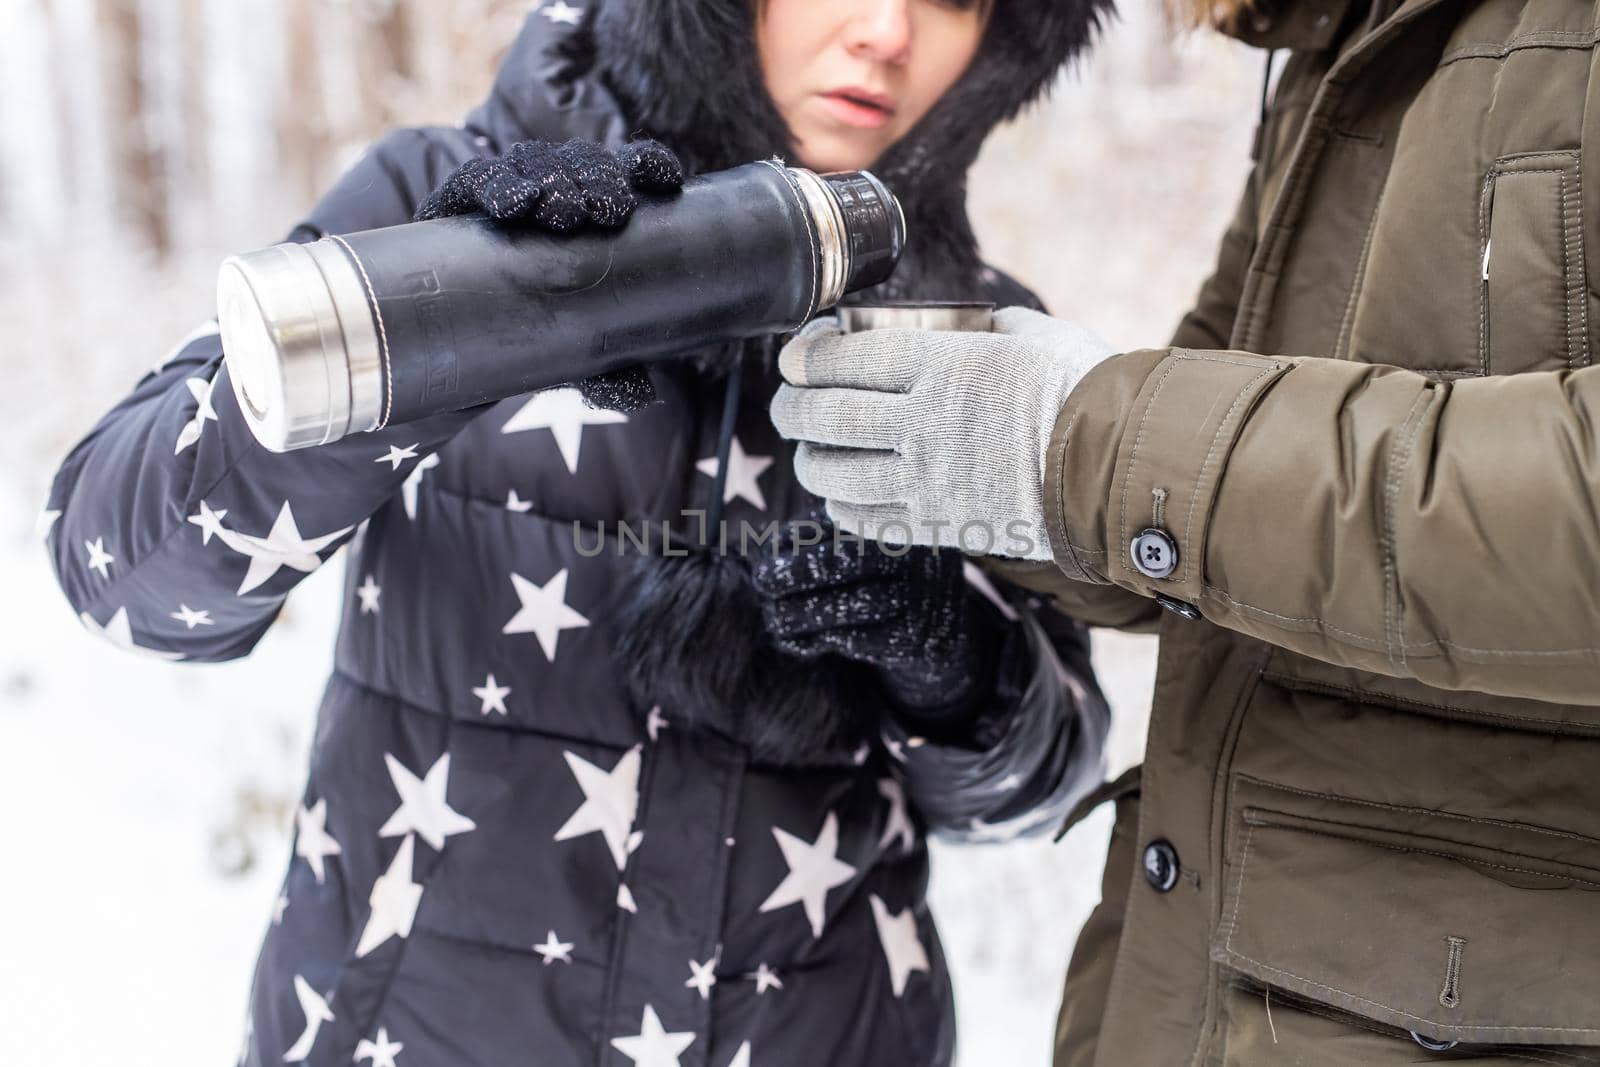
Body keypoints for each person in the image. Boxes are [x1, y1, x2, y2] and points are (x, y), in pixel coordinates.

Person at [43, 1, 1115, 1064]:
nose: (887, 32)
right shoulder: (434, 203)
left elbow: (1039, 785)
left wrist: (957, 663)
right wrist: (452, 312)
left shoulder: (974, 329)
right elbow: (124, 572)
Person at [772, 0, 1600, 1061]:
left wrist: (1077, 447)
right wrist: (994, 453)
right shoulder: (1345, 45)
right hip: (1190, 985)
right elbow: (1195, 515)